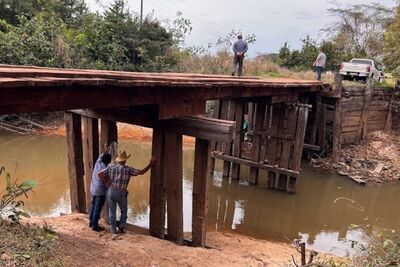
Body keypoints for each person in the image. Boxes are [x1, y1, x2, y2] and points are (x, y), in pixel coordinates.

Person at [98, 151, 156, 236]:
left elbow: (100, 174)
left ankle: (113, 230)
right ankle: (121, 228)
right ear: (125, 160)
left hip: (111, 191)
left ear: (118, 160)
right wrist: (150, 164)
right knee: (124, 211)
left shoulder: (111, 167)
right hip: (121, 192)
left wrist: (106, 183)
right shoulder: (128, 169)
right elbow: (141, 172)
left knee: (112, 211)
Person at [89, 153, 112, 232]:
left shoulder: (98, 162)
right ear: (108, 161)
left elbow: (101, 155)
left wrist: (107, 150)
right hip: (100, 191)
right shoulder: (106, 168)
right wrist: (106, 182)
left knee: (93, 205)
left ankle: (91, 222)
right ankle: (95, 226)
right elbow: (106, 178)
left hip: (93, 188)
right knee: (97, 209)